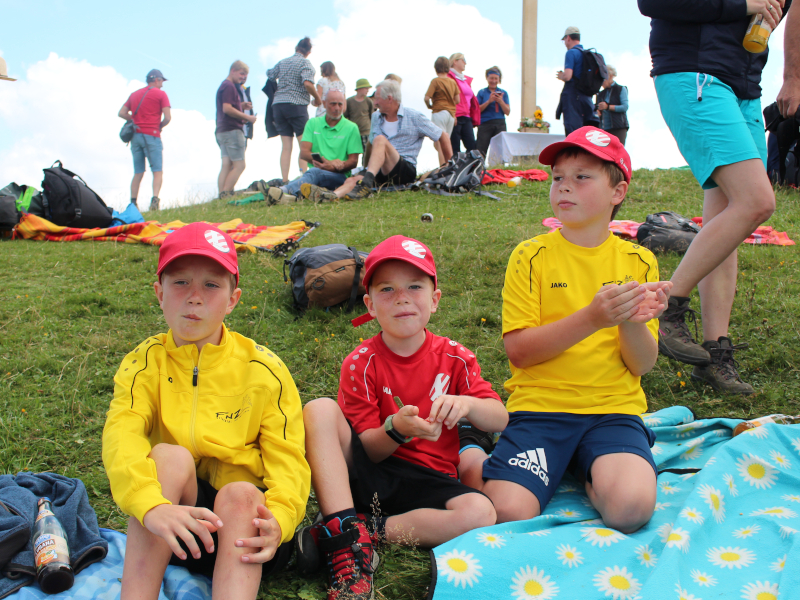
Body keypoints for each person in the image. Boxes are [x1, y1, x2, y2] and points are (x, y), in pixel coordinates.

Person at [457, 127, 673, 534]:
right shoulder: (531, 256)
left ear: (618, 192)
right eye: (558, 177)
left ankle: (582, 464)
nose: (564, 187)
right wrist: (592, 318)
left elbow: (642, 365)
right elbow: (520, 352)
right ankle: (470, 442)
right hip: (541, 409)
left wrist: (630, 320)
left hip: (613, 411)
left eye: (581, 177)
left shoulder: (639, 260)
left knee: (630, 510)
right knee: (507, 512)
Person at [102, 222, 310, 600]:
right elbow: (122, 436)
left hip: (251, 535)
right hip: (176, 529)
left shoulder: (265, 370)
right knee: (168, 457)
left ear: (233, 299)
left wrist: (281, 519)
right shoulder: (144, 363)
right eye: (181, 282)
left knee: (240, 493)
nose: (195, 298)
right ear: (159, 293)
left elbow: (290, 460)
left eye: (211, 285)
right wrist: (150, 506)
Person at [297, 235, 508, 600]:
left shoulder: (456, 358)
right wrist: (395, 429)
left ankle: (364, 530)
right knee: (318, 409)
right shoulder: (361, 363)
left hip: (431, 480)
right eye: (387, 289)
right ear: (370, 305)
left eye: (414, 286)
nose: (402, 297)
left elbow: (500, 419)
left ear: (435, 299)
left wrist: (468, 405)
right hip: (373, 472)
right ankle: (344, 538)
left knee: (480, 513)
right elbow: (369, 450)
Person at [639, 0, 798, 394]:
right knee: (756, 201)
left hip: (743, 87)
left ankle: (714, 354)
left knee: (727, 219)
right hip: (694, 73)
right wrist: (746, 4)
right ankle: (667, 304)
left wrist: (792, 77)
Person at [308, 79, 452, 202]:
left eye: (377, 98)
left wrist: (451, 168)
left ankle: (366, 182)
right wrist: (365, 169)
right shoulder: (376, 117)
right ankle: (331, 196)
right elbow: (371, 146)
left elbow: (443, 135)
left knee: (380, 140)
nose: (375, 102)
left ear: (389, 98)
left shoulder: (414, 116)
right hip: (379, 171)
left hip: (404, 171)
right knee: (351, 180)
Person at [262, 89, 362, 205]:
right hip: (315, 173)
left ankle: (281, 191)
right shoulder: (313, 123)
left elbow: (353, 161)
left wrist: (334, 167)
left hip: (339, 175)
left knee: (314, 173)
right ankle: (290, 197)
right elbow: (304, 153)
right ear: (324, 103)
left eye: (340, 104)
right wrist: (327, 162)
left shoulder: (351, 127)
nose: (337, 108)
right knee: (312, 174)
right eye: (333, 104)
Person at [267, 37, 322, 184]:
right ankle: (304, 177)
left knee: (286, 146)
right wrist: (317, 98)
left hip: (278, 105)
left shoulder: (283, 62)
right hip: (296, 106)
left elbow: (270, 74)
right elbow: (307, 83)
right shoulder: (305, 64)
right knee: (304, 145)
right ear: (308, 52)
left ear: (296, 48)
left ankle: (285, 180)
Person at [118, 69, 171, 212]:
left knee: (138, 172)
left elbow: (121, 113)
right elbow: (167, 117)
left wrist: (135, 119)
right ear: (157, 80)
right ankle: (155, 201)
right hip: (152, 135)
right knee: (157, 171)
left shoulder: (134, 94)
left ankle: (133, 203)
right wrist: (159, 126)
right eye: (162, 81)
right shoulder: (161, 94)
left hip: (136, 136)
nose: (162, 84)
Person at [215, 61, 257, 199]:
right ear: (233, 71)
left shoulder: (224, 85)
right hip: (232, 130)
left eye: (245, 75)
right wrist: (247, 117)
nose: (243, 77)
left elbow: (228, 105)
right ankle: (226, 194)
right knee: (239, 165)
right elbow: (227, 108)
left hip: (222, 130)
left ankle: (221, 195)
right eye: (241, 73)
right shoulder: (230, 86)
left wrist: (240, 105)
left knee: (226, 164)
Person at [556, 27, 599, 135]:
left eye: (564, 40)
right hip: (586, 99)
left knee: (573, 133)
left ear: (568, 38)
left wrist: (562, 76)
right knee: (586, 134)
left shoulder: (571, 53)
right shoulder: (586, 54)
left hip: (573, 97)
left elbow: (568, 76)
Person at [425, 57, 460, 167]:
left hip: (439, 112)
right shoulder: (452, 82)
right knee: (446, 142)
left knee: (440, 143)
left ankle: (443, 167)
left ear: (436, 68)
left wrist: (430, 106)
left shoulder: (435, 81)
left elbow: (426, 98)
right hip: (450, 115)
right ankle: (449, 165)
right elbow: (457, 100)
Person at [447, 53, 480, 152]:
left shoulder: (465, 80)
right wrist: (452, 114)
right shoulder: (448, 77)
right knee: (455, 147)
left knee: (472, 146)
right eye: (463, 60)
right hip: (455, 116)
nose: (465, 63)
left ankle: (471, 163)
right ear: (455, 61)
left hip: (466, 116)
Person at [476, 66, 510, 158]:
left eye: (496, 78)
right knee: (481, 150)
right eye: (491, 78)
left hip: (500, 123)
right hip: (485, 123)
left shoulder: (503, 93)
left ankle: (499, 166)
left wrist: (500, 101)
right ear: (487, 78)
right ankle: (480, 165)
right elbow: (477, 110)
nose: (493, 81)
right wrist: (489, 101)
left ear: (499, 79)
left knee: (500, 150)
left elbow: (507, 112)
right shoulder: (482, 92)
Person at [595, 65, 629, 145]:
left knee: (618, 150)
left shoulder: (621, 89)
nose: (601, 82)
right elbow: (597, 109)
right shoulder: (600, 94)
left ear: (610, 76)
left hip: (619, 127)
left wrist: (607, 107)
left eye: (603, 78)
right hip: (603, 129)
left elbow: (624, 107)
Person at [344, 79, 374, 167]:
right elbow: (345, 117)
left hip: (366, 132)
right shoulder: (349, 101)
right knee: (352, 153)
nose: (367, 90)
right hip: (354, 133)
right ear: (359, 89)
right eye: (366, 88)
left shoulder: (368, 101)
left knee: (367, 154)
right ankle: (352, 170)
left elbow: (372, 116)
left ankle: (365, 169)